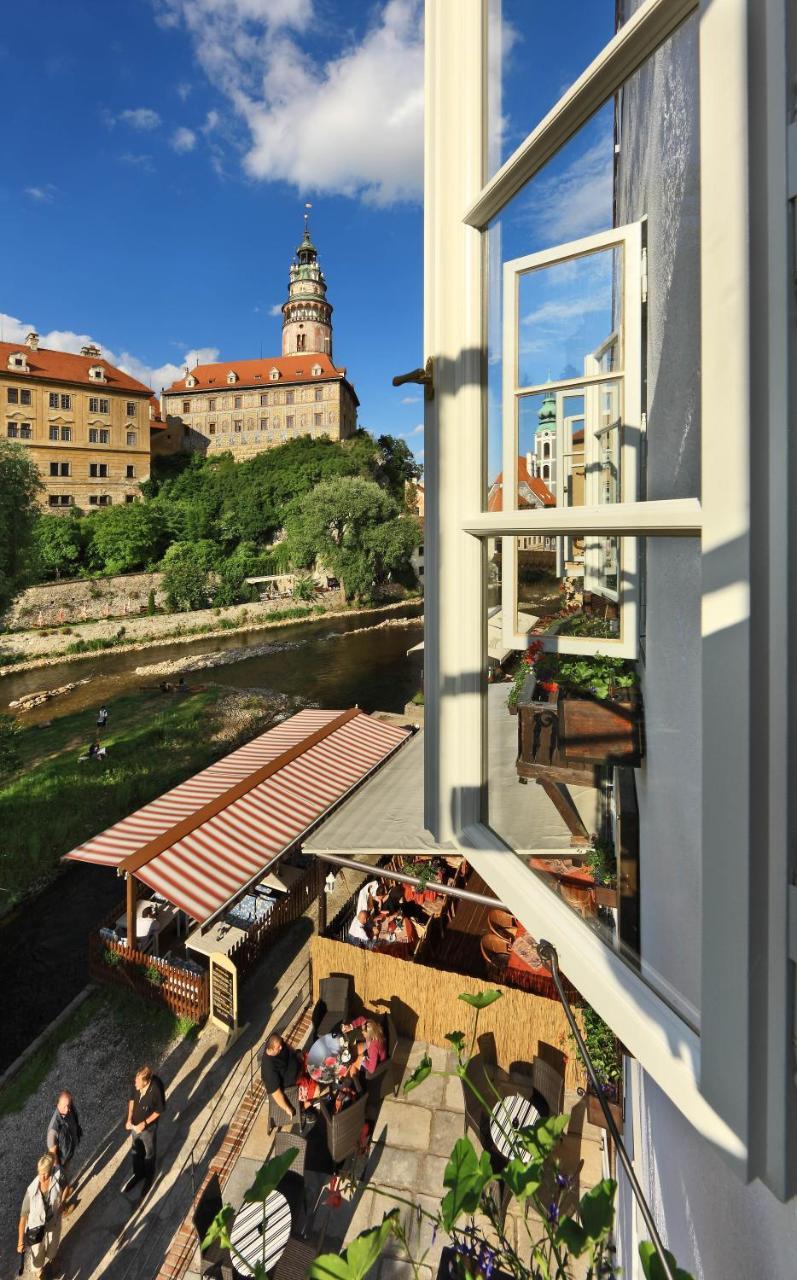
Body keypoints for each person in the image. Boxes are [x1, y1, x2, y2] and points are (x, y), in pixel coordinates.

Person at [122, 1065, 165, 1200]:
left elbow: (159, 1110)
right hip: (135, 1126)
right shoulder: (137, 1084)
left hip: (148, 1129)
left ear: (146, 1082)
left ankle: (149, 1177)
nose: (135, 1083)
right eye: (136, 1080)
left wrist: (144, 1123)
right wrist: (129, 1119)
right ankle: (138, 1174)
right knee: (136, 1152)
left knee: (149, 1154)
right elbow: (132, 1100)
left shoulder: (156, 1088)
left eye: (138, 1081)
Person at [18, 1153, 62, 1280]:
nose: (42, 1177)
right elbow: (23, 1218)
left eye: (45, 1173)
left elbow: (66, 1187)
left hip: (53, 1222)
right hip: (36, 1228)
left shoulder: (57, 1178)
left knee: (53, 1245)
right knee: (37, 1255)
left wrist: (63, 1202)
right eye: (40, 1173)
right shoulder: (31, 1191)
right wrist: (20, 1241)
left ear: (50, 1170)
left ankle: (53, 1260)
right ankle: (39, 1273)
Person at [46, 1091, 82, 1212]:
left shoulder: (69, 1109)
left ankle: (65, 1190)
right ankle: (62, 1208)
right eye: (65, 1106)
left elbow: (74, 1121)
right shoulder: (53, 1129)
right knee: (63, 1184)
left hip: (67, 1155)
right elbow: (52, 1153)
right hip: (60, 1162)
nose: (68, 1109)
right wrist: (59, 1171)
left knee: (67, 1173)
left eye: (69, 1105)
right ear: (58, 1104)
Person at [260, 1033, 302, 1123]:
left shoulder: (278, 1044)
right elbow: (276, 1093)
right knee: (316, 1089)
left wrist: (295, 1053)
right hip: (295, 1082)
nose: (281, 1048)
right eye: (278, 1047)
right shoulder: (268, 1069)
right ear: (271, 1049)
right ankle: (303, 1111)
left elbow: (286, 1045)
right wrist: (287, 1108)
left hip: (299, 1065)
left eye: (280, 1045)